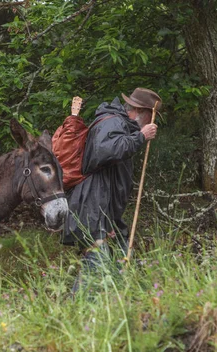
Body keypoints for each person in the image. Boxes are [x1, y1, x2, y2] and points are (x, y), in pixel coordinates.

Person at [61, 88, 161, 293]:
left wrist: (111, 221)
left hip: (101, 212)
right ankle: (74, 313)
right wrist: (140, 137)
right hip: (90, 208)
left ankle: (115, 309)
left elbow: (112, 181)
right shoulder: (112, 121)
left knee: (121, 259)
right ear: (139, 111)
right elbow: (104, 151)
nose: (150, 122)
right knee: (98, 265)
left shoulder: (121, 125)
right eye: (150, 116)